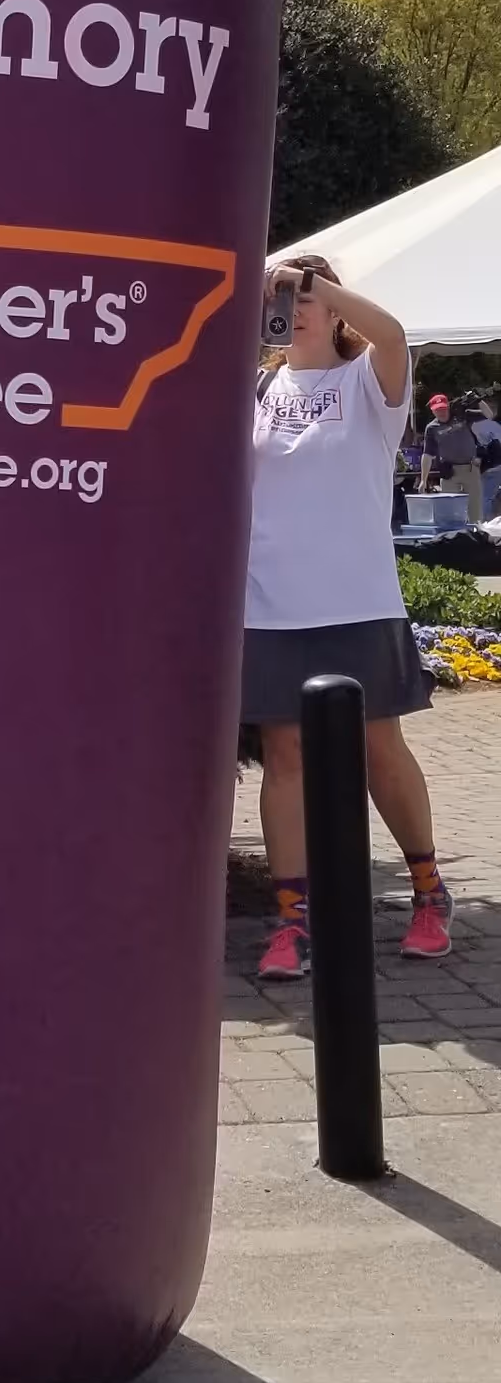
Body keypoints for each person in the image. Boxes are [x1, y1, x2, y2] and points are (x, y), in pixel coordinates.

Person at [245, 254, 452, 983]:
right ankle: (291, 922)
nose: (294, 307)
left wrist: (311, 278)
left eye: (306, 296)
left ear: (334, 307)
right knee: (286, 756)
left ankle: (429, 895)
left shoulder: (371, 382)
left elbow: (393, 335)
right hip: (269, 604)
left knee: (378, 749)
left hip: (356, 600)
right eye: (282, 298)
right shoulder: (259, 387)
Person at [421, 390, 483, 523]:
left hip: (470, 468)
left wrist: (479, 400)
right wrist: (423, 479)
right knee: (450, 512)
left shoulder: (462, 415)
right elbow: (427, 454)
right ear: (433, 411)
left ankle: (477, 536)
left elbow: (490, 415)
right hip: (449, 472)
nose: (441, 412)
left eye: (443, 409)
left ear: (448, 406)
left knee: (475, 511)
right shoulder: (432, 428)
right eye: (438, 410)